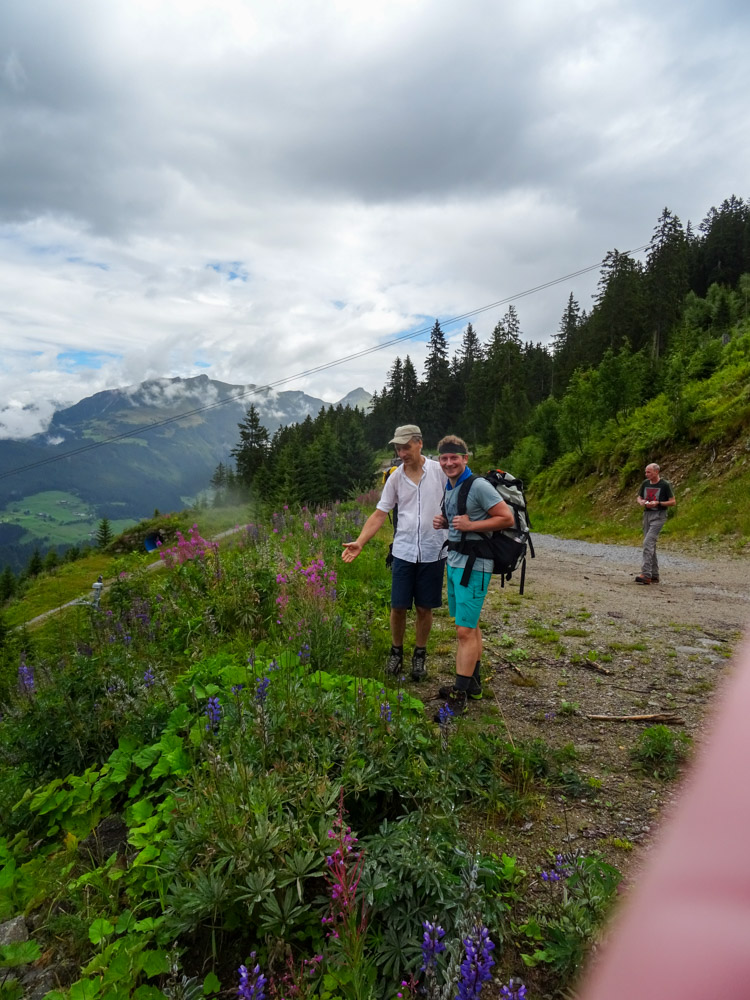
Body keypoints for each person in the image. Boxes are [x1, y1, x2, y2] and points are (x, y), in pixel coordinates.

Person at [341, 424, 447, 681]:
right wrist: (360, 541)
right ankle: (396, 651)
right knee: (398, 607)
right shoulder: (396, 477)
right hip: (403, 551)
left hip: (434, 551)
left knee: (424, 607)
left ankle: (420, 654)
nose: (402, 453)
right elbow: (380, 512)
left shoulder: (440, 471)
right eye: (398, 448)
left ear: (419, 443)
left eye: (406, 447)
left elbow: (460, 495)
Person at [431, 435, 514, 716]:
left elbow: (506, 518)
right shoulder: (451, 485)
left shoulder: (478, 485)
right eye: (444, 458)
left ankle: (458, 695)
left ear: (465, 459)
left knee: (464, 631)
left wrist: (471, 524)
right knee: (471, 625)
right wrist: (445, 521)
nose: (449, 462)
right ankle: (473, 685)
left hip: (474, 565)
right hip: (455, 561)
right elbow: (460, 521)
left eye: (455, 457)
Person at [635, 462, 675, 584]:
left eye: (649, 472)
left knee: (647, 542)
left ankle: (646, 574)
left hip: (659, 515)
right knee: (651, 544)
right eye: (646, 472)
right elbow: (639, 496)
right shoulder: (645, 484)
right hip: (647, 514)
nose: (647, 474)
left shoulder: (665, 485)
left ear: (656, 472)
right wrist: (641, 502)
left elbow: (673, 502)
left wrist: (658, 503)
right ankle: (654, 574)